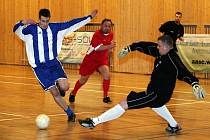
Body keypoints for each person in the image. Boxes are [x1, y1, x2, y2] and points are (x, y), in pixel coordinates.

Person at [78, 35, 205, 134]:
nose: (157, 47)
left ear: (166, 47)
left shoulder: (172, 59)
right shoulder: (161, 52)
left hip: (155, 94)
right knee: (156, 106)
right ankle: (174, 125)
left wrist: (194, 83)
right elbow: (147, 46)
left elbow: (183, 71)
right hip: (156, 95)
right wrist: (130, 48)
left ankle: (94, 122)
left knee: (124, 103)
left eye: (159, 46)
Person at [13, 8, 97, 122]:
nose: (45, 24)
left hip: (53, 63)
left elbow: (72, 23)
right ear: (39, 19)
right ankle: (70, 113)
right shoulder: (30, 30)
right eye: (42, 21)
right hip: (40, 68)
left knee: (65, 87)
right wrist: (24, 21)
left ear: (49, 20)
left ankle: (59, 83)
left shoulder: (55, 28)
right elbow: (16, 30)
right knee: (55, 92)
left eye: (47, 21)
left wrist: (89, 17)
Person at [69, 19, 116, 104]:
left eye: (109, 26)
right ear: (101, 26)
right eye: (105, 26)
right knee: (83, 80)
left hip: (101, 60)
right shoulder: (97, 34)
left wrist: (110, 50)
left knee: (107, 75)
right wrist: (110, 46)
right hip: (91, 60)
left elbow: (109, 45)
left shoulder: (111, 34)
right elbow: (98, 48)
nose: (107, 28)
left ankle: (105, 96)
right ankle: (73, 93)